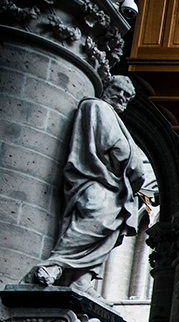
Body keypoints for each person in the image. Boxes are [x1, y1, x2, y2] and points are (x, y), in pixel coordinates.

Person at [28, 75, 156, 291]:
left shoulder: (114, 116)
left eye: (128, 95)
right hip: (99, 180)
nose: (123, 97)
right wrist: (134, 167)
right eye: (120, 91)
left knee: (109, 230)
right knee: (93, 221)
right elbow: (116, 147)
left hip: (115, 185)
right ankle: (55, 265)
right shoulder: (97, 107)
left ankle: (82, 281)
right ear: (106, 87)